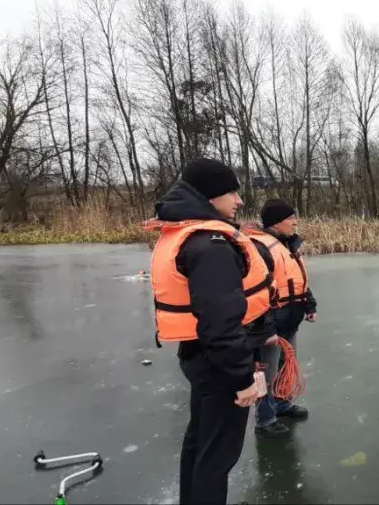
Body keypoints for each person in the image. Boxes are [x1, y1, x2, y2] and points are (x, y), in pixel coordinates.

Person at [143, 158, 273, 504]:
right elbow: (221, 324)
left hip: (199, 356)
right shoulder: (210, 244)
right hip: (218, 364)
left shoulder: (186, 234)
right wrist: (242, 376)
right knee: (217, 457)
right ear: (210, 196)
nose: (239, 201)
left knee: (201, 442)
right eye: (231, 192)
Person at [243, 199, 316, 438]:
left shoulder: (287, 245)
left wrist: (309, 304)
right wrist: (265, 328)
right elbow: (256, 292)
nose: (295, 221)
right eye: (290, 217)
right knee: (267, 372)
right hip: (269, 324)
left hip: (289, 319)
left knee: (286, 365)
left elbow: (296, 279)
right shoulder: (260, 248)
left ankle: (282, 405)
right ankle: (265, 420)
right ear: (276, 221)